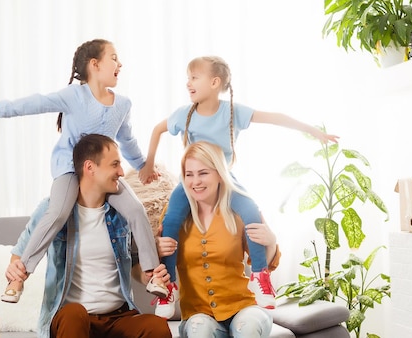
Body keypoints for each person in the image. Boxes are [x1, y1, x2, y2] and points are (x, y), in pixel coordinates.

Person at [0, 39, 165, 303]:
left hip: (104, 175)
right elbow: (37, 103)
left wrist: (142, 167)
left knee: (136, 210)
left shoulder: (122, 105)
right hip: (71, 170)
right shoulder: (74, 96)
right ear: (95, 65)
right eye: (114, 58)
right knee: (58, 212)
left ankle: (152, 275)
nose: (120, 64)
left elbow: (127, 141)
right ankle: (19, 276)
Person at [138, 55, 338, 317]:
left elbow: (275, 118)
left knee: (252, 212)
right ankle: (168, 287)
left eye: (194, 77)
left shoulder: (231, 112)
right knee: (171, 223)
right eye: (188, 78)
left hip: (226, 179)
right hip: (193, 181)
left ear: (214, 82)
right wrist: (149, 164)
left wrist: (313, 131)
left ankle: (259, 275)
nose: (188, 83)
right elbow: (156, 130)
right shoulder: (183, 115)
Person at [6, 133, 173, 338]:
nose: (121, 172)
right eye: (115, 165)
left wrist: (148, 276)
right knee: (75, 314)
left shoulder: (122, 214)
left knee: (155, 328)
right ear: (90, 168)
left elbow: (135, 265)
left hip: (117, 317)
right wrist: (15, 268)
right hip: (72, 318)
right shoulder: (52, 210)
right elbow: (21, 252)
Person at [157, 141, 280, 338]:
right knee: (201, 330)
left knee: (247, 327)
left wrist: (271, 241)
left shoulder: (238, 213)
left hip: (244, 307)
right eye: (190, 174)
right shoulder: (173, 218)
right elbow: (148, 269)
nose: (196, 181)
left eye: (203, 173)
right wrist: (158, 250)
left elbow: (265, 261)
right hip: (198, 314)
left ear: (219, 174)